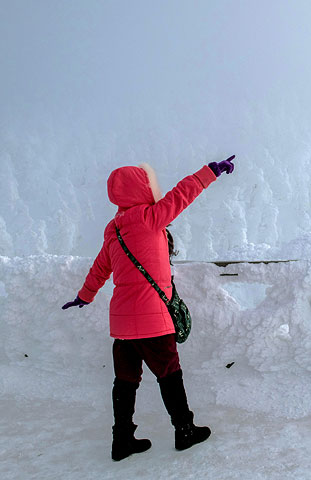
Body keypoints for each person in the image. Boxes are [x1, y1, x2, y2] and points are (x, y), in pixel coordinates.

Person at [62, 156, 235, 461]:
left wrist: (85, 296)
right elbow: (183, 193)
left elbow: (100, 268)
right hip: (153, 320)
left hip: (122, 324)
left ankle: (122, 441)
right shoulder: (150, 217)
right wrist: (211, 171)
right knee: (169, 375)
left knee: (125, 381)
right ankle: (185, 431)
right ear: (143, 187)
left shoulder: (113, 230)